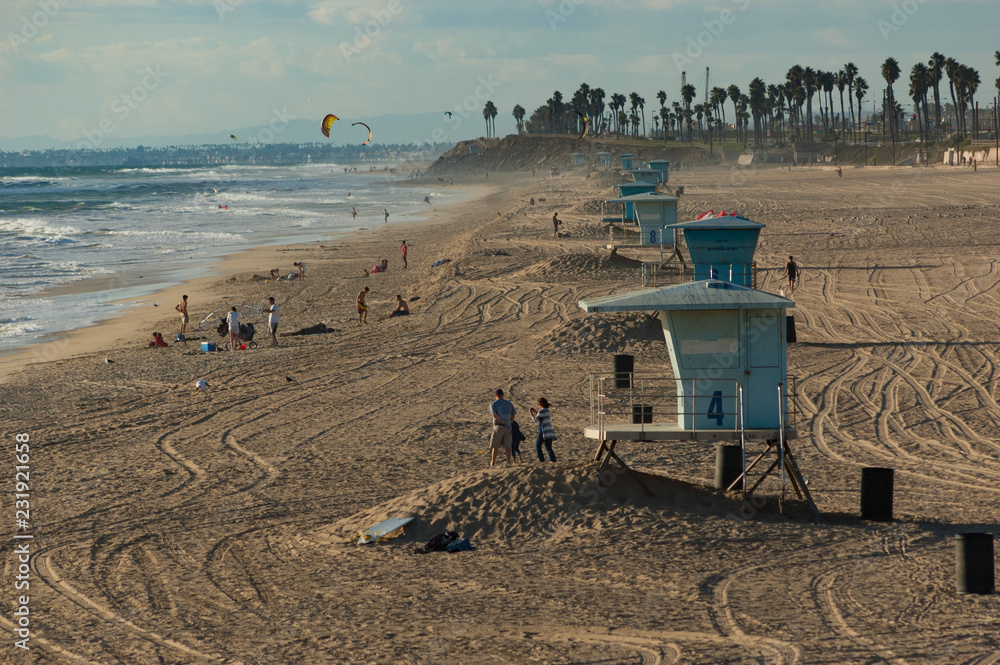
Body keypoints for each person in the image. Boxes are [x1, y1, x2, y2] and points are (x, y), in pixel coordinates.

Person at [489, 389, 515, 467]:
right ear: (503, 395)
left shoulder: (493, 404)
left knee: (495, 445)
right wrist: (511, 422)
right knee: (508, 446)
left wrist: (500, 420)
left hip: (499, 426)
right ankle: (508, 461)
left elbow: (494, 414)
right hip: (508, 427)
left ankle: (493, 462)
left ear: (496, 395)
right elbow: (513, 414)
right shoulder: (509, 403)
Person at [529, 398, 557, 462]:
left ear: (540, 404)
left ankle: (542, 460)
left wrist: (531, 413)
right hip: (549, 431)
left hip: (543, 431)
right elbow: (541, 417)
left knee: (537, 445)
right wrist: (536, 412)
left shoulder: (541, 411)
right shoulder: (547, 411)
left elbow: (535, 420)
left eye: (538, 404)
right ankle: (553, 460)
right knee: (548, 447)